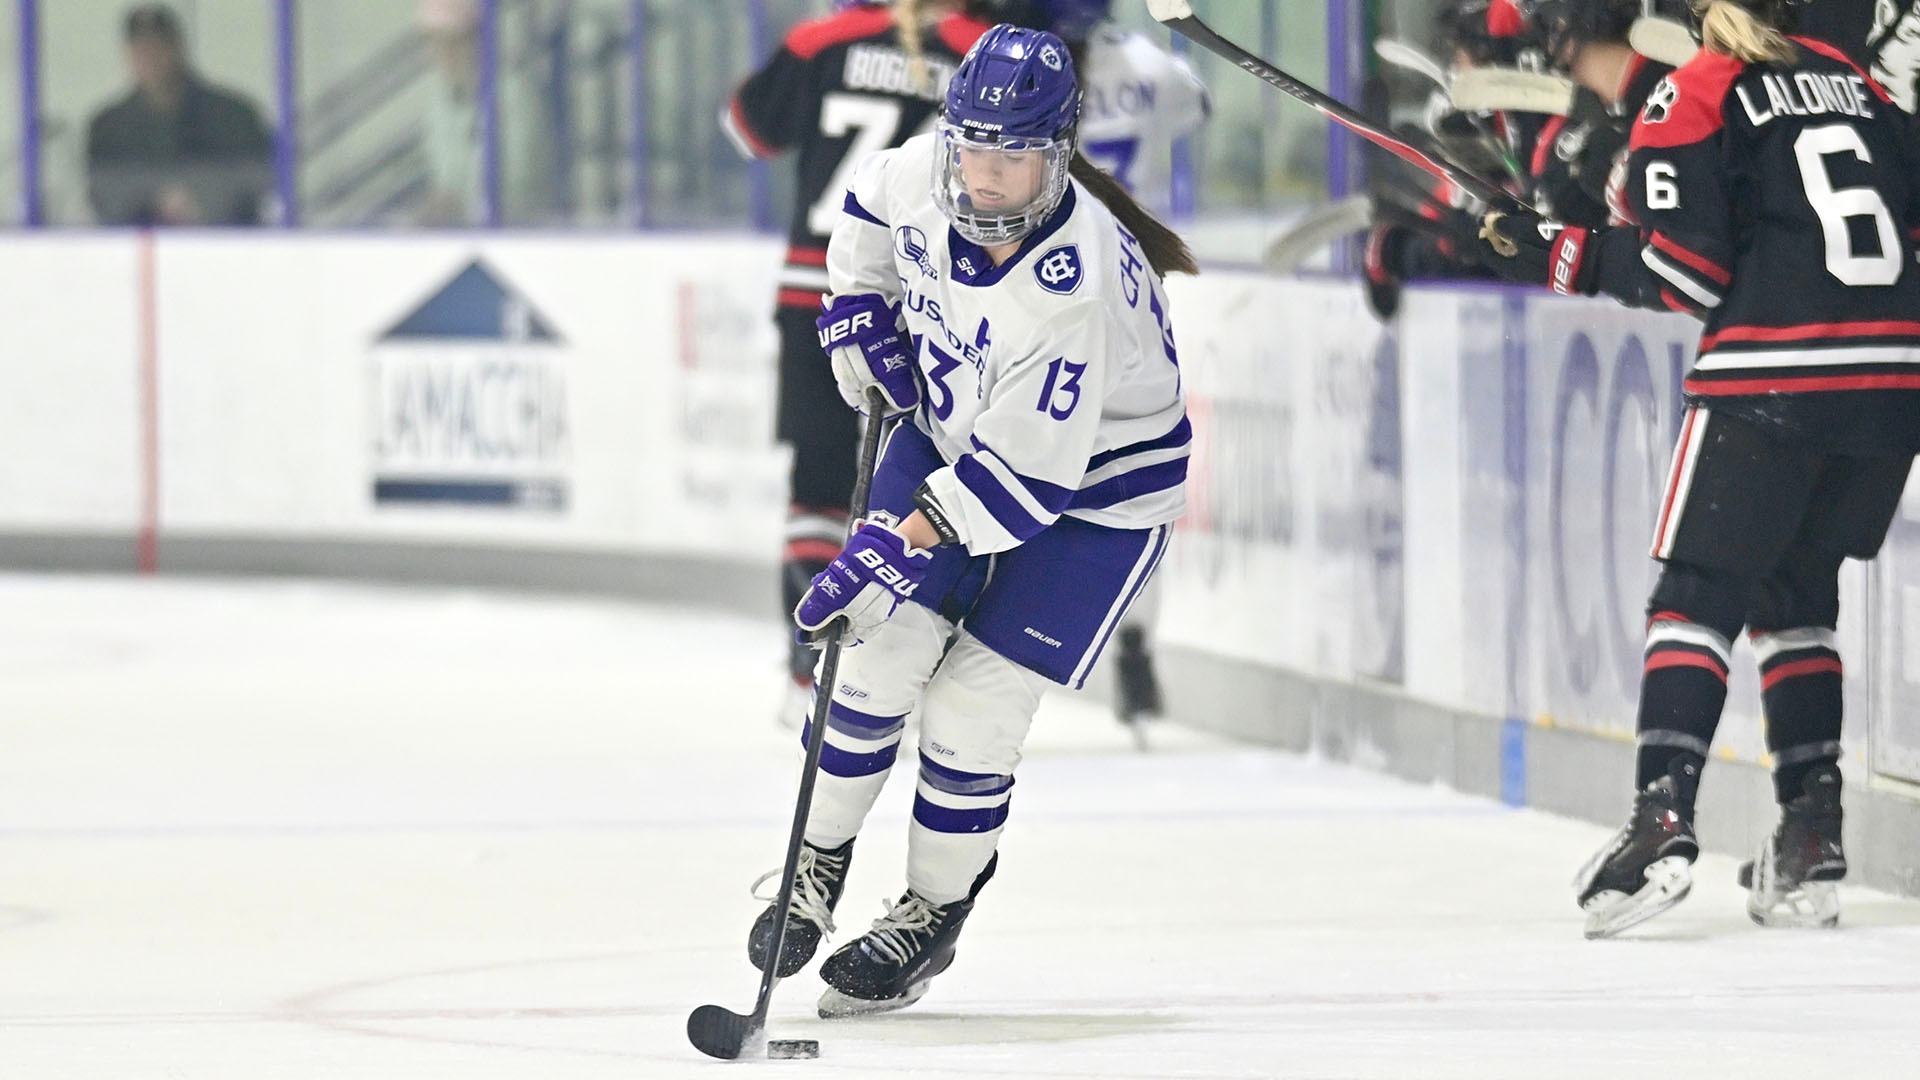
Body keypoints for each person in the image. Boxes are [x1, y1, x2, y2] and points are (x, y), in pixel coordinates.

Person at [745, 24, 1197, 1015]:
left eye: (1014, 157)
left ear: (1059, 154)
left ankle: (930, 913)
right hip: (959, 435)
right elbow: (861, 220)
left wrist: (881, 548)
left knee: (970, 713)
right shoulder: (921, 167)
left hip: (1095, 501)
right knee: (876, 658)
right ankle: (813, 866)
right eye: (974, 148)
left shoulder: (1070, 287)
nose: (986, 179)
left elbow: (1017, 490)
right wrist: (856, 309)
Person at [1463, 0, 1920, 937]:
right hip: (1892, 387)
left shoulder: (1701, 90)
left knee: (1696, 594)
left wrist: (1558, 254)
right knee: (1795, 591)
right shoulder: (1874, 93)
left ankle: (1662, 823)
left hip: (1772, 380)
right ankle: (1809, 833)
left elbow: (1686, 276)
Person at [722, 0, 1000, 725]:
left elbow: (745, 127)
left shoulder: (823, 39)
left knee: (817, 486)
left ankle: (807, 666)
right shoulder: (986, 54)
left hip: (816, 293)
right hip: (923, 302)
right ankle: (891, 674)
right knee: (909, 485)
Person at [86, 4, 273, 226]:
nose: (150, 58)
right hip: (137, 251)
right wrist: (153, 203)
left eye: (159, 47)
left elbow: (254, 184)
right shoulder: (108, 126)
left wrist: (202, 200)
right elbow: (103, 197)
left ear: (179, 48)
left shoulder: (234, 116)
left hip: (224, 248)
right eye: (140, 49)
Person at [415, 0, 557, 226]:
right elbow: (442, 177)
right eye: (436, 41)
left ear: (478, 40)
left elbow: (520, 180)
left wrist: (459, 204)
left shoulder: (515, 94)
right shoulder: (439, 104)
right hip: (461, 234)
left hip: (523, 237)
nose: (444, 53)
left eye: (455, 41)